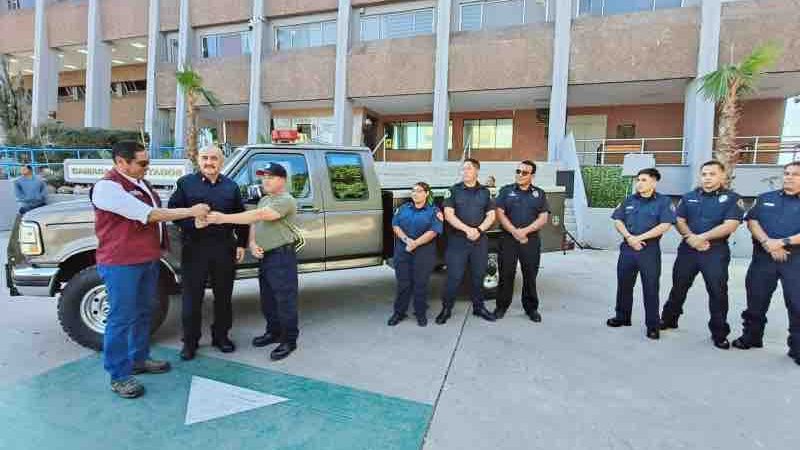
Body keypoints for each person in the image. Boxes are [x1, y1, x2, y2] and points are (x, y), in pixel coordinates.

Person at [90, 141, 209, 399]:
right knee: (121, 317)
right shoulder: (107, 187)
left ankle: (138, 359)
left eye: (148, 162)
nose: (147, 167)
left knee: (144, 311)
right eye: (142, 163)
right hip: (122, 263)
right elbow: (149, 215)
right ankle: (119, 375)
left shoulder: (139, 182)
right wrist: (191, 211)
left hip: (146, 259)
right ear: (121, 162)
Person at [206, 162, 301, 361]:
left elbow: (261, 215)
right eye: (263, 177)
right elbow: (255, 223)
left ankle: (289, 340)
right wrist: (251, 242)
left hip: (282, 257)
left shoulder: (285, 199)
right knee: (268, 300)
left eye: (271, 177)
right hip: (266, 257)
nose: (265, 180)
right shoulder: (265, 199)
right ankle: (273, 332)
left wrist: (223, 218)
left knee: (285, 301)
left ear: (282, 180)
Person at [168, 145, 248, 361]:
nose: (209, 162)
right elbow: (173, 213)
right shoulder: (185, 184)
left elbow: (240, 215)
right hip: (195, 248)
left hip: (224, 248)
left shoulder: (231, 186)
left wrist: (241, 244)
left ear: (220, 162)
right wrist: (192, 223)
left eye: (214, 158)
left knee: (224, 297)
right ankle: (190, 342)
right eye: (205, 158)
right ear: (197, 159)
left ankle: (221, 337)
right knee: (192, 298)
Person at [660, 160, 744, 349]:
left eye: (712, 174)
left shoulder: (732, 198)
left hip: (715, 251)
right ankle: (668, 319)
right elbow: (679, 219)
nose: (707, 178)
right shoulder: (688, 197)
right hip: (688, 249)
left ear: (723, 176)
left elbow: (731, 224)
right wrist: (690, 237)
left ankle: (719, 332)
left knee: (717, 292)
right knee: (678, 287)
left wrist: (701, 238)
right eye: (704, 174)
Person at [732, 161, 800, 366]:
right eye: (787, 173)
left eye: (795, 174)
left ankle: (797, 348)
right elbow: (752, 221)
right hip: (763, 259)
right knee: (756, 300)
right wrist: (767, 243)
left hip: (795, 261)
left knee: (797, 304)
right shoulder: (765, 198)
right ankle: (752, 337)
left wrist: (781, 242)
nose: (789, 177)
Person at [607, 168, 676, 340]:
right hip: (628, 248)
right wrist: (630, 238)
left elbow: (665, 225)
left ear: (654, 182)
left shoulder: (663, 202)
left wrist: (639, 238)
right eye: (638, 179)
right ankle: (622, 317)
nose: (639, 183)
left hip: (649, 250)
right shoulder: (629, 200)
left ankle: (652, 325)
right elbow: (618, 220)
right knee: (624, 284)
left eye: (644, 180)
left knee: (651, 287)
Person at [436, 158, 497, 325]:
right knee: (454, 277)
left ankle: (479, 307)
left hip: (479, 240)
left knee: (478, 276)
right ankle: (446, 309)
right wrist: (467, 230)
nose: (464, 172)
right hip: (458, 241)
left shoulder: (485, 192)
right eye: (463, 169)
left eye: (468, 169)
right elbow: (449, 215)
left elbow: (491, 215)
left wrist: (478, 230)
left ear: (477, 171)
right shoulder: (453, 191)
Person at [494, 160, 550, 322]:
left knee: (530, 274)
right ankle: (501, 307)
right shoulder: (506, 191)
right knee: (506, 273)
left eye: (524, 172)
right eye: (518, 171)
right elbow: (500, 213)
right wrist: (514, 232)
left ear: (532, 175)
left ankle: (531, 308)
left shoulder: (539, 193)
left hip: (530, 240)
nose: (520, 175)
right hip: (508, 239)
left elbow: (543, 217)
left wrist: (524, 232)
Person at [387, 182, 444, 327]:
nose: (415, 193)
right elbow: (395, 225)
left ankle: (420, 313)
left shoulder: (434, 211)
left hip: (423, 253)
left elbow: (433, 231)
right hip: (403, 251)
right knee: (403, 284)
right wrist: (407, 240)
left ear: (426, 194)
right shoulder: (403, 208)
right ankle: (399, 313)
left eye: (419, 191)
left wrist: (415, 243)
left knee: (421, 284)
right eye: (413, 191)